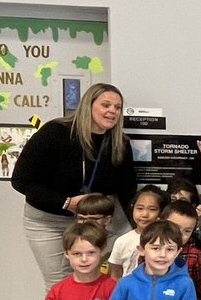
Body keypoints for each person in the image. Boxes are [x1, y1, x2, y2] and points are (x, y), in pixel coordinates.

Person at [13, 83, 136, 287]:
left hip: (98, 220)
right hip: (50, 221)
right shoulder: (55, 133)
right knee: (60, 285)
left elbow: (127, 189)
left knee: (104, 281)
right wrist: (66, 202)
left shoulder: (119, 143)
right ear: (88, 105)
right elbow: (21, 180)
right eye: (106, 105)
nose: (112, 111)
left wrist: (140, 223)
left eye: (118, 107)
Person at [107, 185, 165, 279]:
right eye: (140, 208)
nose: (145, 214)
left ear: (161, 212)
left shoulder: (165, 240)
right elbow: (116, 274)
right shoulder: (122, 241)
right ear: (132, 208)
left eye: (152, 209)